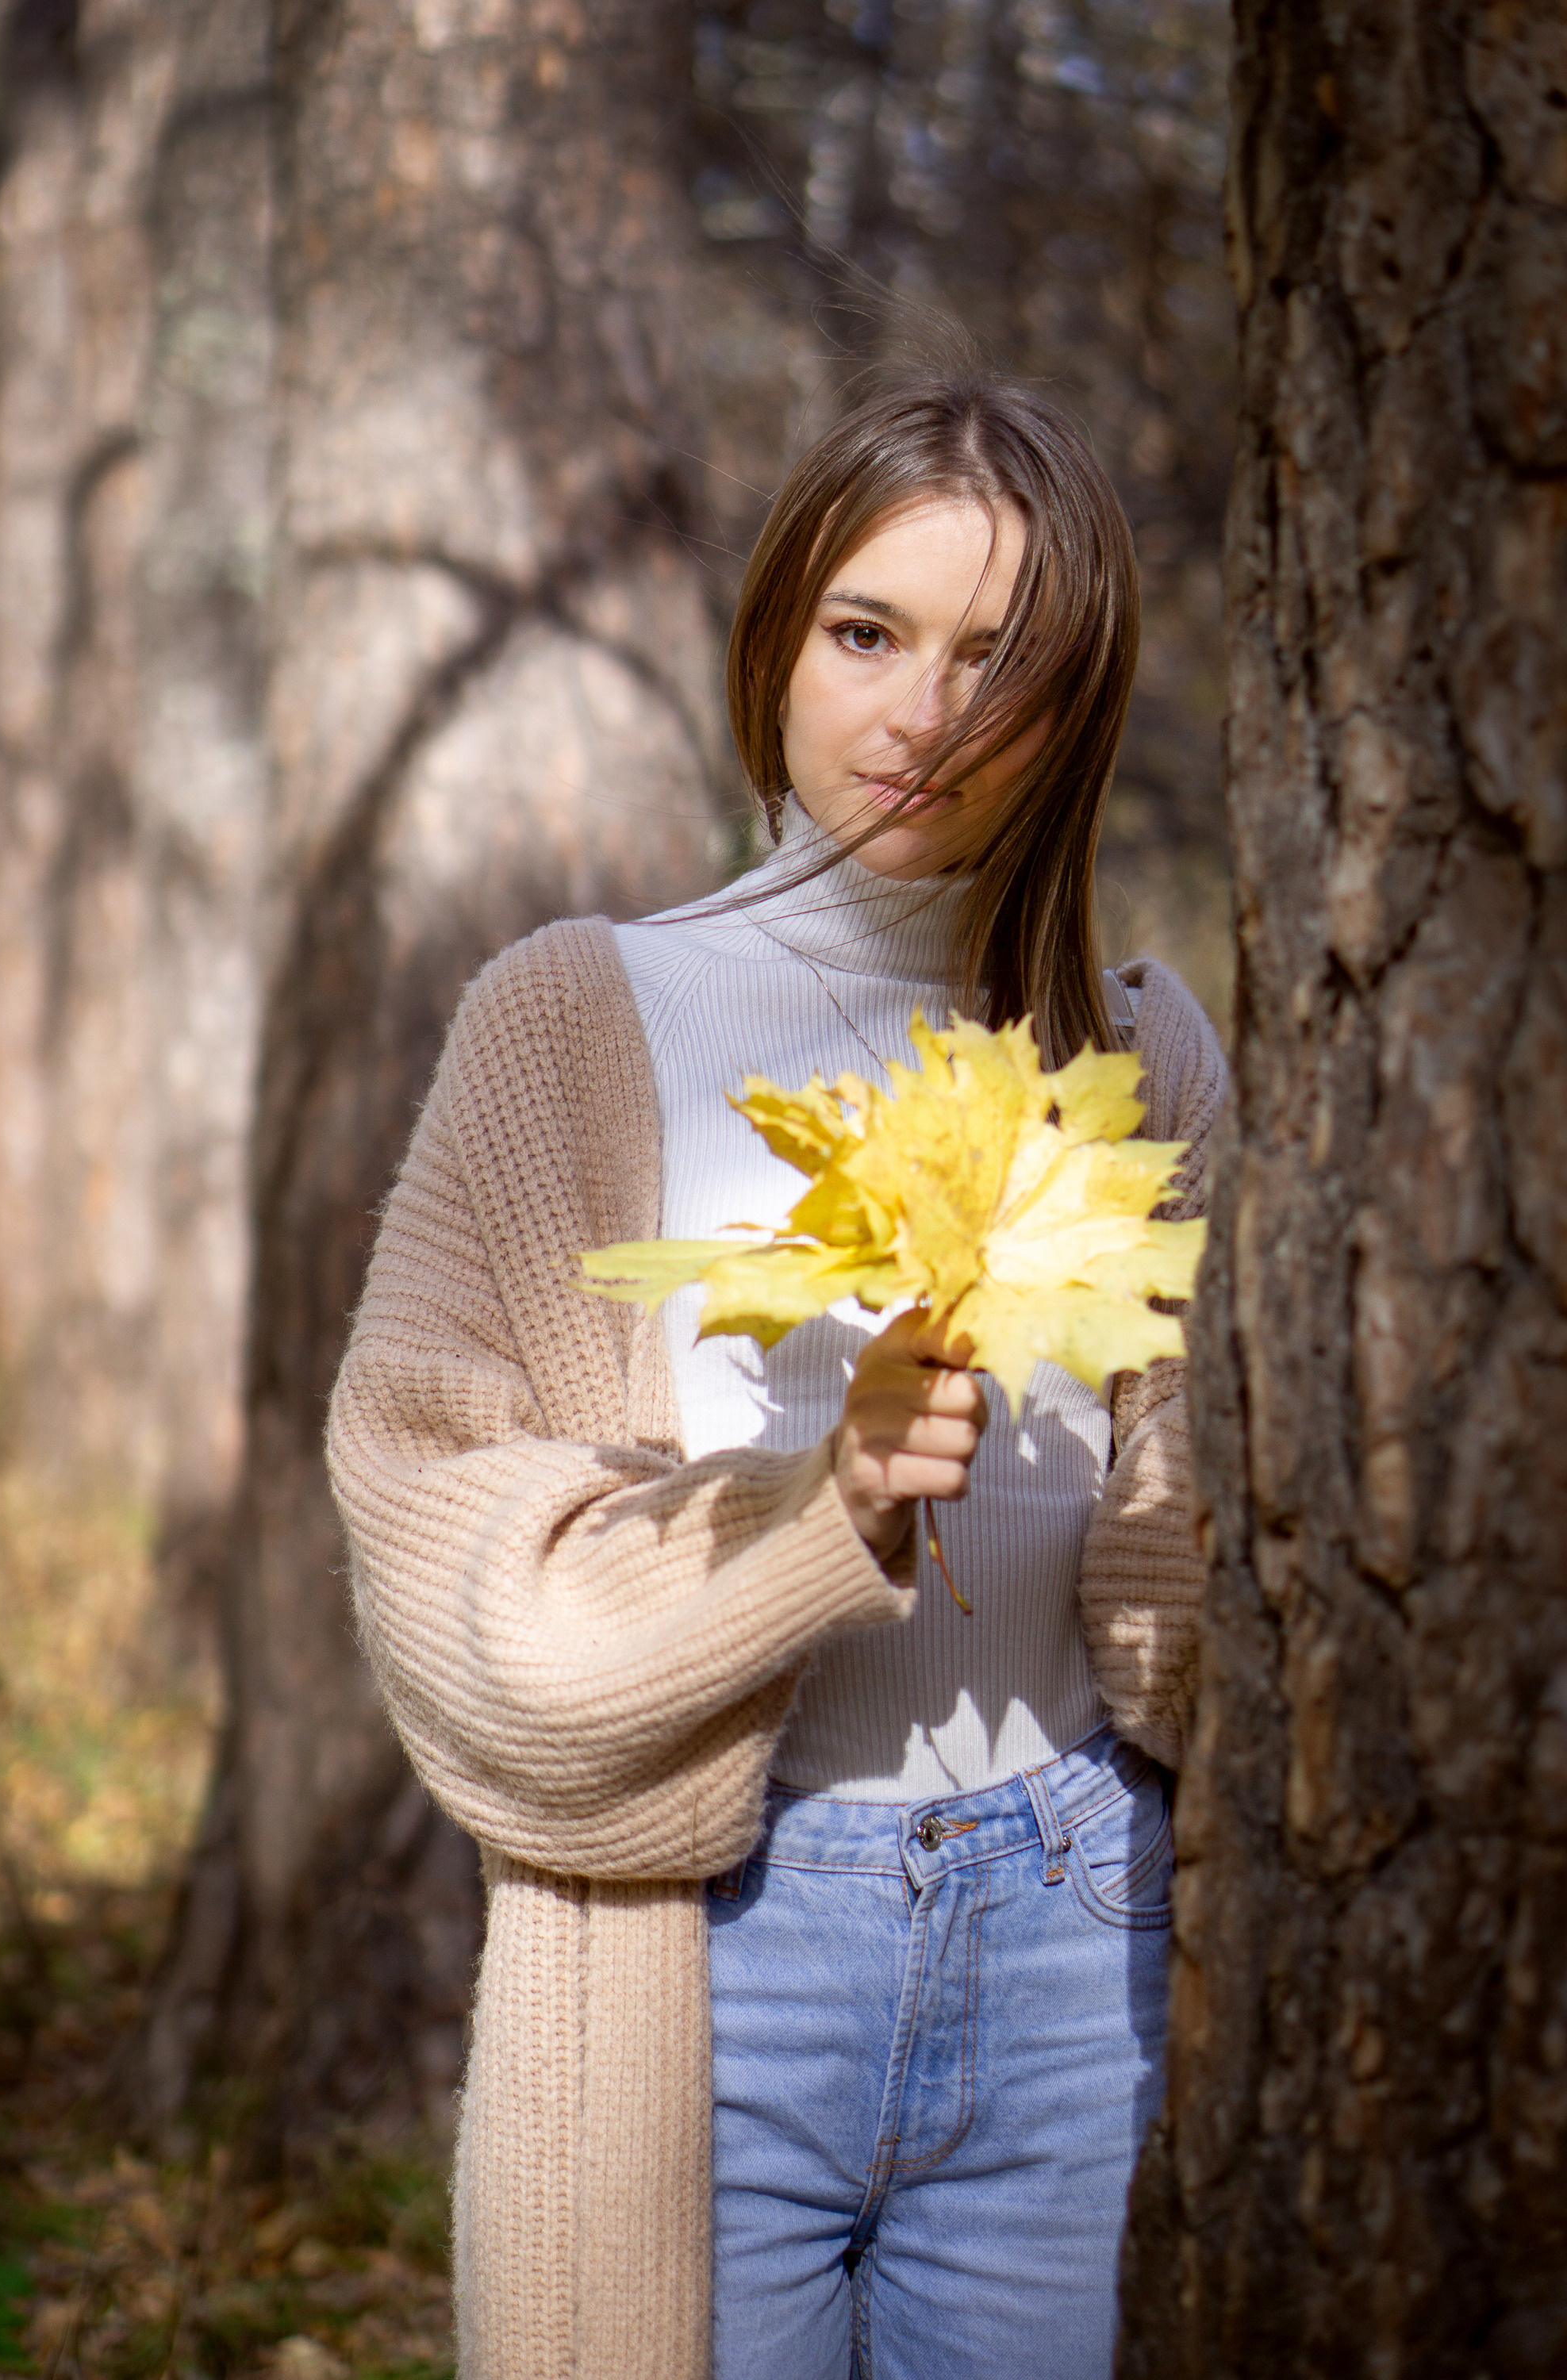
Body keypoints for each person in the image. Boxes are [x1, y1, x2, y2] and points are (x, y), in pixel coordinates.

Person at [327, 372, 1225, 2380]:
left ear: (1075, 701)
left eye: (998, 659)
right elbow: (445, 1572)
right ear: (774, 645)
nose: (923, 714)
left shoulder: (1149, 1065)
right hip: (713, 1962)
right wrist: (817, 1513)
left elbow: (1235, 1588)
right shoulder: (574, 1021)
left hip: (1087, 1937)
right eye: (867, 633)